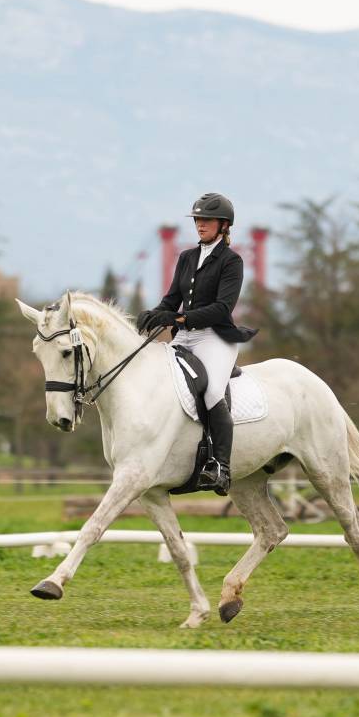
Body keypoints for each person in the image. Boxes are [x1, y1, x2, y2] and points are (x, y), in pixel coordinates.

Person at [136, 192, 258, 494]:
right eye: (197, 220)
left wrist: (179, 320)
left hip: (215, 338)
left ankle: (221, 467)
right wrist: (156, 314)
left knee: (212, 392)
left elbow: (222, 308)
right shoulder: (187, 257)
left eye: (206, 220)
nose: (200, 225)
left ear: (224, 225)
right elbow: (171, 299)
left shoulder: (232, 261)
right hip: (185, 337)